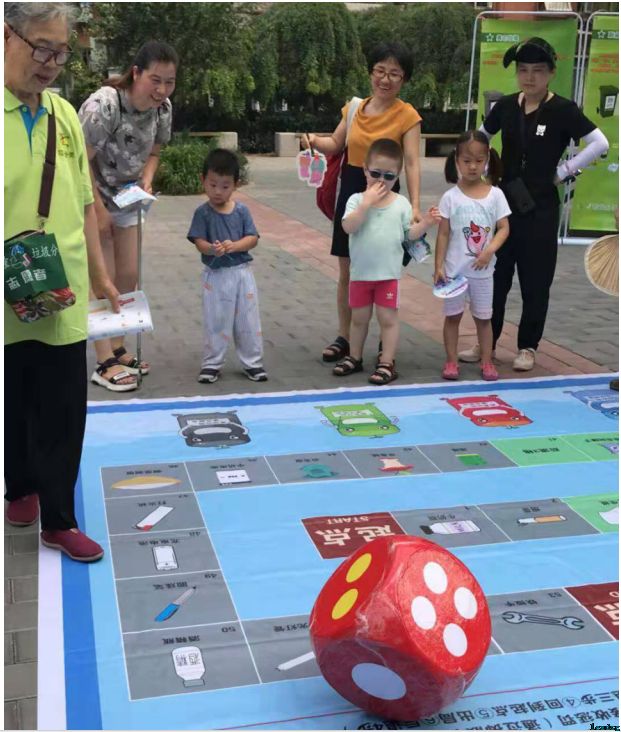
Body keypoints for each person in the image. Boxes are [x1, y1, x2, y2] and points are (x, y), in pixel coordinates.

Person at [4, 2, 120, 561]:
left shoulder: (65, 115)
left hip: (61, 285)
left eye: (60, 52)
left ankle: (59, 518)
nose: (50, 64)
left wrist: (100, 276)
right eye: (41, 49)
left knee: (63, 406)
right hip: (6, 290)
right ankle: (19, 487)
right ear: (8, 37)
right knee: (13, 397)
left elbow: (84, 205)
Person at [459, 37, 609, 371]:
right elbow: (479, 139)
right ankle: (487, 342)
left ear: (551, 73)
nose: (530, 77)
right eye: (523, 70)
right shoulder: (506, 106)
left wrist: (563, 172)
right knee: (495, 277)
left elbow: (600, 143)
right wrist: (481, 171)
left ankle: (527, 347)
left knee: (535, 281)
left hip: (541, 208)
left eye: (538, 70)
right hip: (502, 207)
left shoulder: (563, 110)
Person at [302, 42, 422, 364]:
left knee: (385, 268)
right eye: (380, 71)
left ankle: (386, 341)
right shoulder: (354, 108)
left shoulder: (408, 116)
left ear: (404, 79)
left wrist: (416, 206)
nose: (385, 79)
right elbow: (335, 142)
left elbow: (412, 163)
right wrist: (314, 141)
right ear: (370, 73)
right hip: (354, 189)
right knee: (348, 269)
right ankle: (345, 338)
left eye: (394, 73)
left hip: (387, 195)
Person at [79, 40, 178, 390]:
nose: (162, 90)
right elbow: (77, 160)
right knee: (101, 277)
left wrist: (147, 179)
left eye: (169, 82)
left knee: (128, 275)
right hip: (89, 194)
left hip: (128, 199)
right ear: (136, 73)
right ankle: (103, 361)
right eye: (155, 80)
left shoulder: (163, 109)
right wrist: (97, 209)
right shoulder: (105, 105)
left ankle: (118, 346)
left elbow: (154, 153)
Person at [333, 139, 440, 385]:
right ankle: (354, 356)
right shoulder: (356, 200)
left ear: (397, 176)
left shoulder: (401, 204)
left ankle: (387, 362)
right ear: (365, 170)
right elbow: (348, 227)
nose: (381, 180)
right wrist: (366, 204)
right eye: (376, 174)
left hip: (388, 276)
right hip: (360, 275)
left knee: (388, 320)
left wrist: (426, 223)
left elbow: (409, 235)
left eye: (389, 176)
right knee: (359, 319)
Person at [435, 131, 511, 382]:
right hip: (455, 272)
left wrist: (489, 251)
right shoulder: (450, 197)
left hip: (483, 273)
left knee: (484, 318)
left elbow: (504, 228)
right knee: (452, 317)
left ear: (487, 159)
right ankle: (451, 361)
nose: (472, 166)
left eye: (479, 160)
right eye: (467, 160)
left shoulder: (495, 195)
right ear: (456, 160)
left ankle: (487, 361)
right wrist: (439, 267)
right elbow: (443, 234)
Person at [187, 148, 268, 384]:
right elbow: (199, 242)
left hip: (242, 273)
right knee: (216, 319)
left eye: (225, 186)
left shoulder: (242, 211)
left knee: (248, 319)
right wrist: (212, 249)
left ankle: (253, 362)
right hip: (216, 275)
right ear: (203, 180)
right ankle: (212, 363)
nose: (217, 191)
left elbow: (252, 238)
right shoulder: (202, 213)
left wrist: (235, 246)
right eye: (212, 185)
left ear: (235, 185)